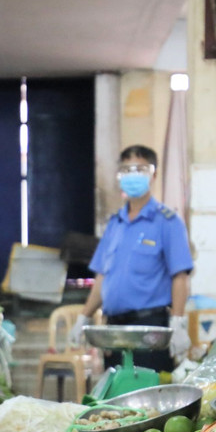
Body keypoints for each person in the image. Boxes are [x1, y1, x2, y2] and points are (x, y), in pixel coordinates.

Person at [71, 144, 194, 372]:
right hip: (114, 331)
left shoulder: (167, 222)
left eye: (139, 169)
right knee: (114, 401)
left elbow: (180, 277)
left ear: (153, 174)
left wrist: (178, 323)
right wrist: (84, 317)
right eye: (126, 170)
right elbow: (102, 278)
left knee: (149, 400)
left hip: (150, 330)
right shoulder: (115, 224)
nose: (132, 175)